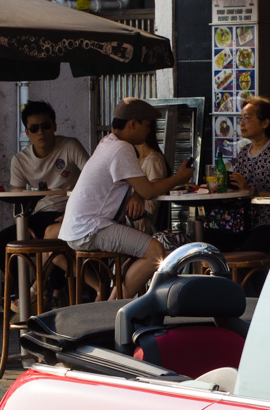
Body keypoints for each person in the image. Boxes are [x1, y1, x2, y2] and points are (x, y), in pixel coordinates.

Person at [59, 98, 193, 297]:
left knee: (143, 250)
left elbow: (138, 187)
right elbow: (147, 191)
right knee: (155, 251)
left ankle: (108, 309)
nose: (149, 131)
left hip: (81, 227)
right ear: (133, 123)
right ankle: (112, 310)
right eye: (147, 125)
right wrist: (179, 178)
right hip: (91, 228)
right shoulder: (122, 148)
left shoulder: (107, 142)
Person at [209, 96, 270, 255]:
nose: (242, 123)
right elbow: (241, 188)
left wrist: (253, 193)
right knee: (209, 242)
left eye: (247, 118)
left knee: (241, 251)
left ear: (265, 123)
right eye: (241, 119)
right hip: (245, 222)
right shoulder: (244, 152)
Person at [8, 100, 88, 238]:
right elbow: (17, 201)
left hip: (69, 212)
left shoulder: (70, 146)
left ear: (54, 126)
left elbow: (92, 178)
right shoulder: (19, 160)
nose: (40, 132)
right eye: (34, 128)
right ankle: (27, 261)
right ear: (27, 132)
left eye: (45, 126)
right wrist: (21, 225)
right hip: (38, 215)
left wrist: (75, 211)